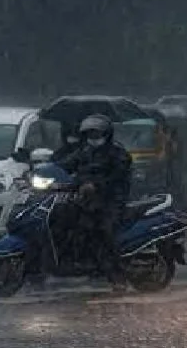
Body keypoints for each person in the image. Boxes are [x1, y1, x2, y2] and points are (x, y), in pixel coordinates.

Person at [57, 115, 133, 287]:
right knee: (63, 219)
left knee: (104, 231)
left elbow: (117, 177)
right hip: (85, 199)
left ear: (107, 134)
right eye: (89, 134)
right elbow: (64, 164)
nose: (93, 137)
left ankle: (117, 274)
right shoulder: (84, 152)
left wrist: (96, 186)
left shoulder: (118, 154)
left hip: (111, 200)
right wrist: (41, 169)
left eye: (96, 133)